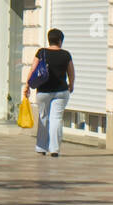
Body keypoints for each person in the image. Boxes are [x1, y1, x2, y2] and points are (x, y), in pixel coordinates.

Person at [23, 28, 75, 158]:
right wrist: (71, 84)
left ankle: (41, 147)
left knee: (43, 117)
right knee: (56, 119)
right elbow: (71, 72)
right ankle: (54, 149)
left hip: (44, 91)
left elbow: (33, 69)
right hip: (61, 91)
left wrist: (27, 85)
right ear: (60, 41)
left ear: (49, 39)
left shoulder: (41, 52)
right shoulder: (66, 55)